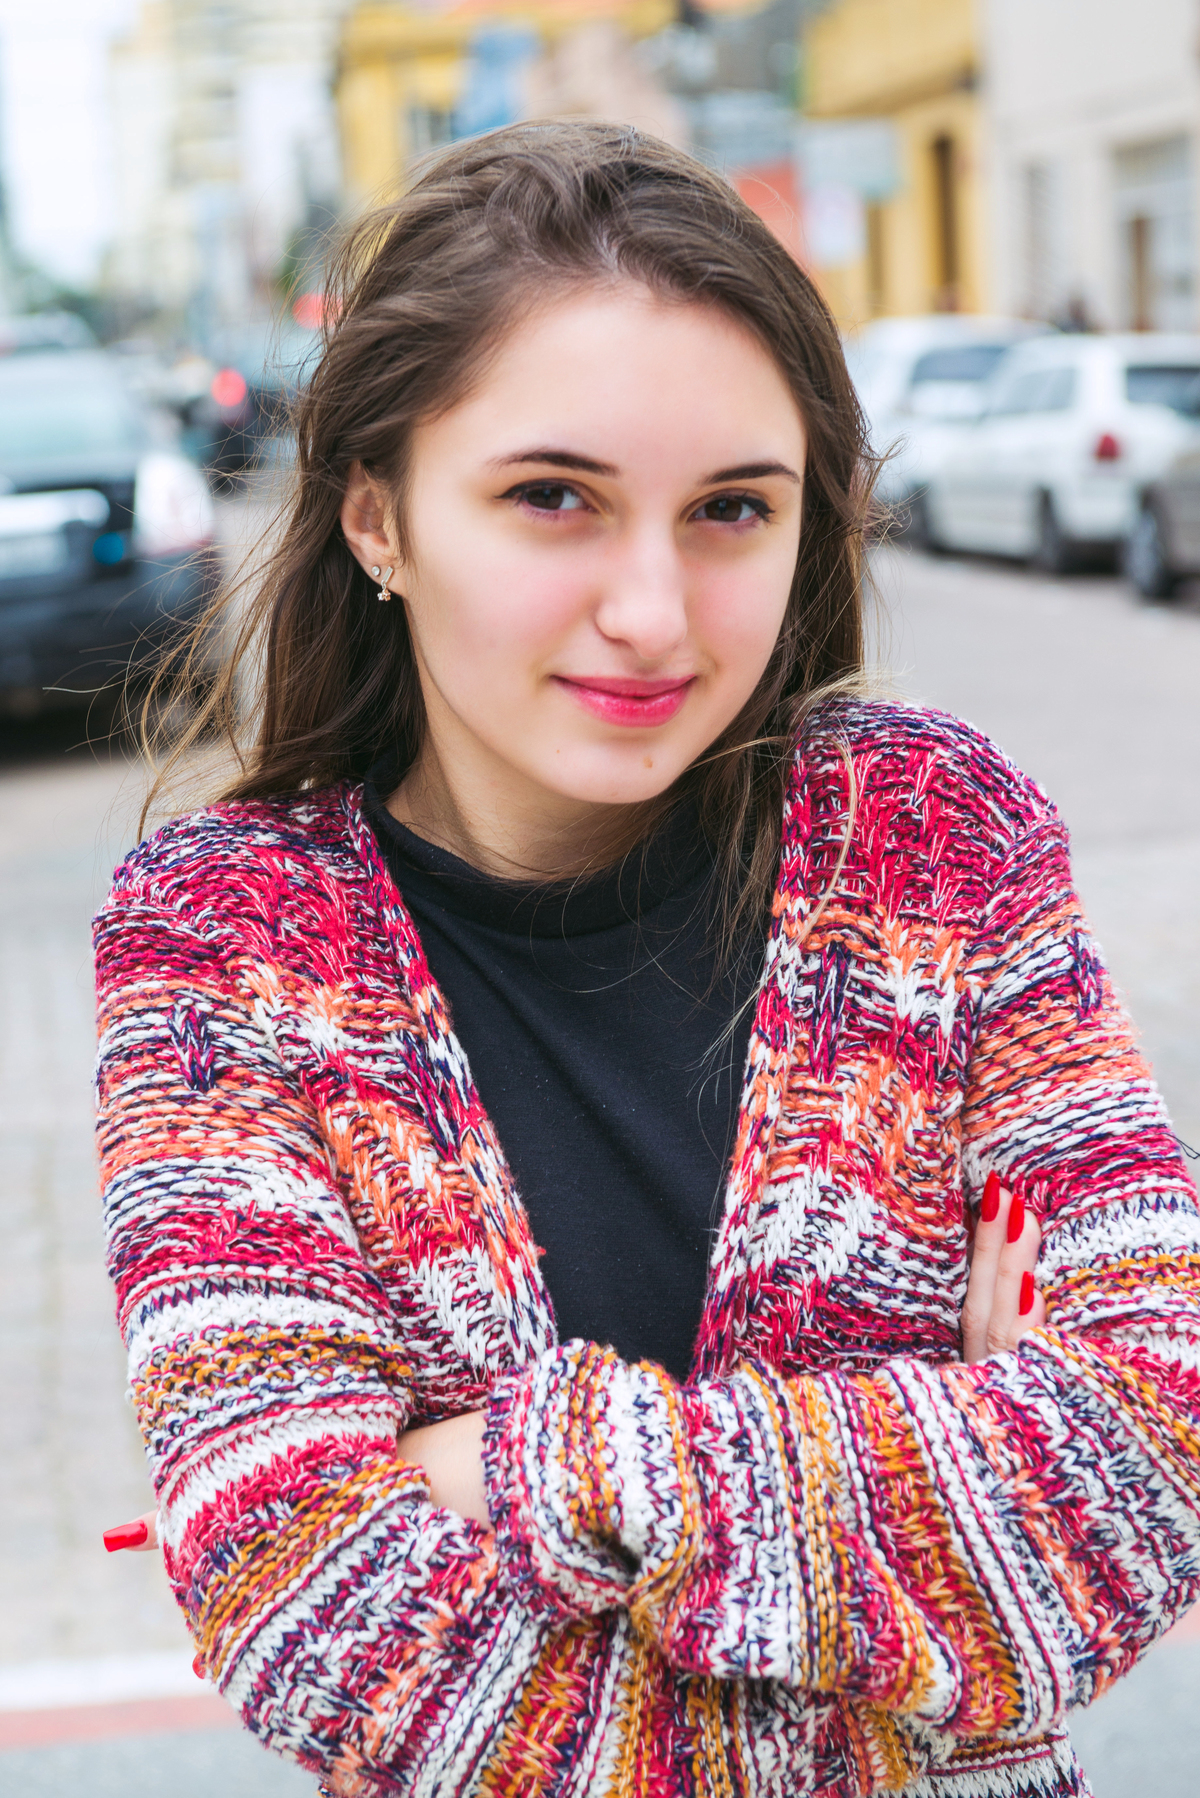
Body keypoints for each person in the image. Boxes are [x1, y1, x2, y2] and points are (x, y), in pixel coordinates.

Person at [95, 123, 1200, 1798]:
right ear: (376, 516)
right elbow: (307, 1599)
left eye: (730, 510)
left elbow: (1149, 1465)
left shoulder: (933, 842)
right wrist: (926, 1542)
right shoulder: (226, 938)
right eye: (555, 498)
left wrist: (529, 1464)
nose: (655, 612)